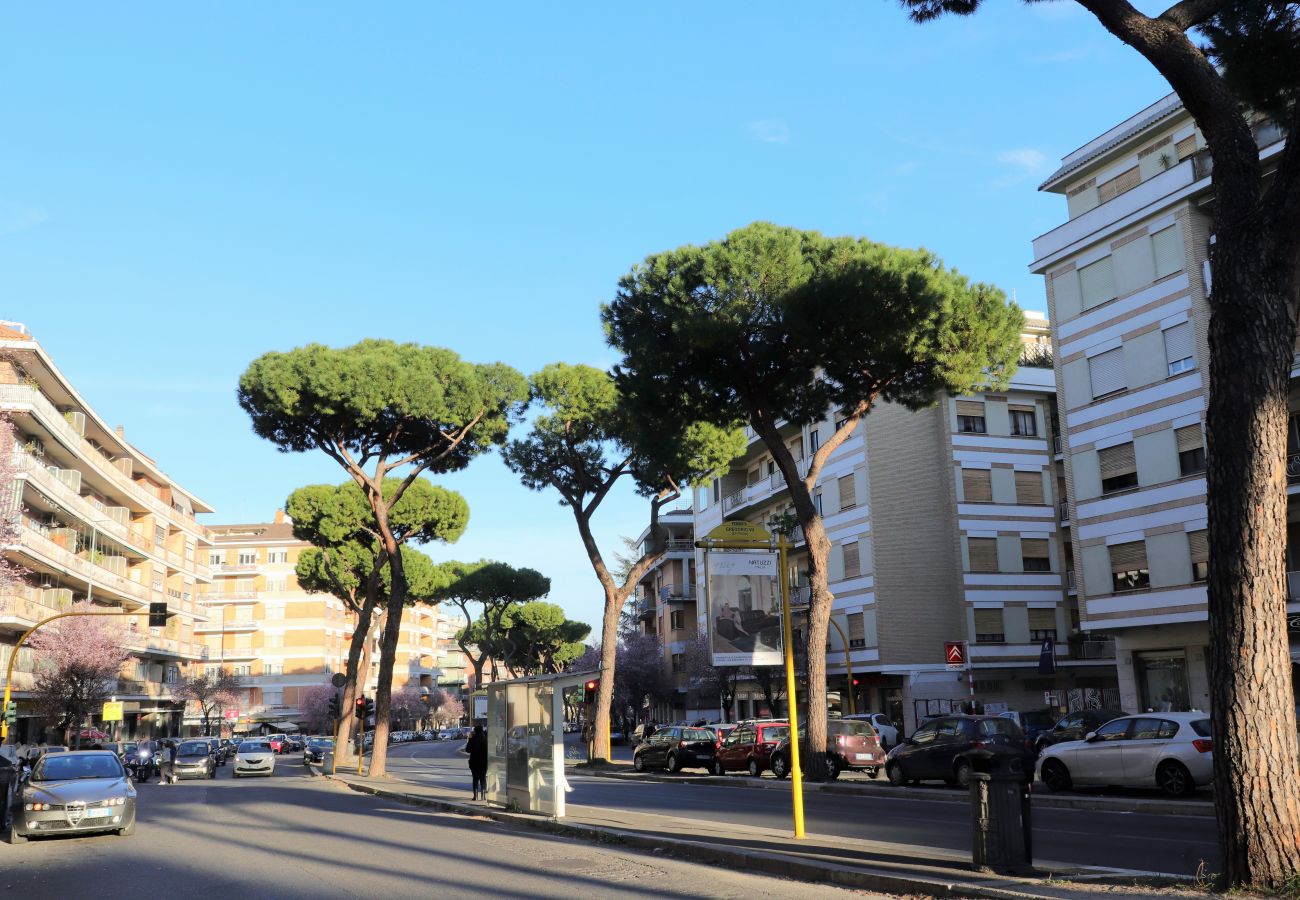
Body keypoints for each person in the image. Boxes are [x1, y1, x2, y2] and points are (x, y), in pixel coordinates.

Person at [465, 725, 488, 801]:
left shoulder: (473, 739)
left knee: (475, 778)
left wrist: (471, 739)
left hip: (474, 762)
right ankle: (483, 795)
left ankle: (475, 796)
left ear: (475, 731)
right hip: (484, 762)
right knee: (483, 778)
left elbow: (467, 750)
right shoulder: (485, 739)